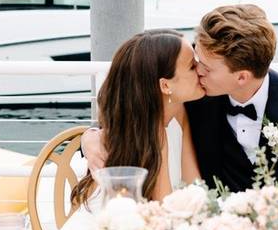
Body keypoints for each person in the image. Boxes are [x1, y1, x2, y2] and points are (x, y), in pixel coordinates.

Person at [81, 4, 278, 193]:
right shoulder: (194, 96)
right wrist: (90, 136)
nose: (197, 70)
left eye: (206, 67)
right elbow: (133, 110)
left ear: (241, 76)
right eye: (196, 59)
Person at [71, 29, 204, 206]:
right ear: (165, 85)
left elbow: (195, 187)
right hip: (118, 226)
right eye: (192, 66)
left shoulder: (177, 111)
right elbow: (162, 209)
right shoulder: (153, 130)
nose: (201, 69)